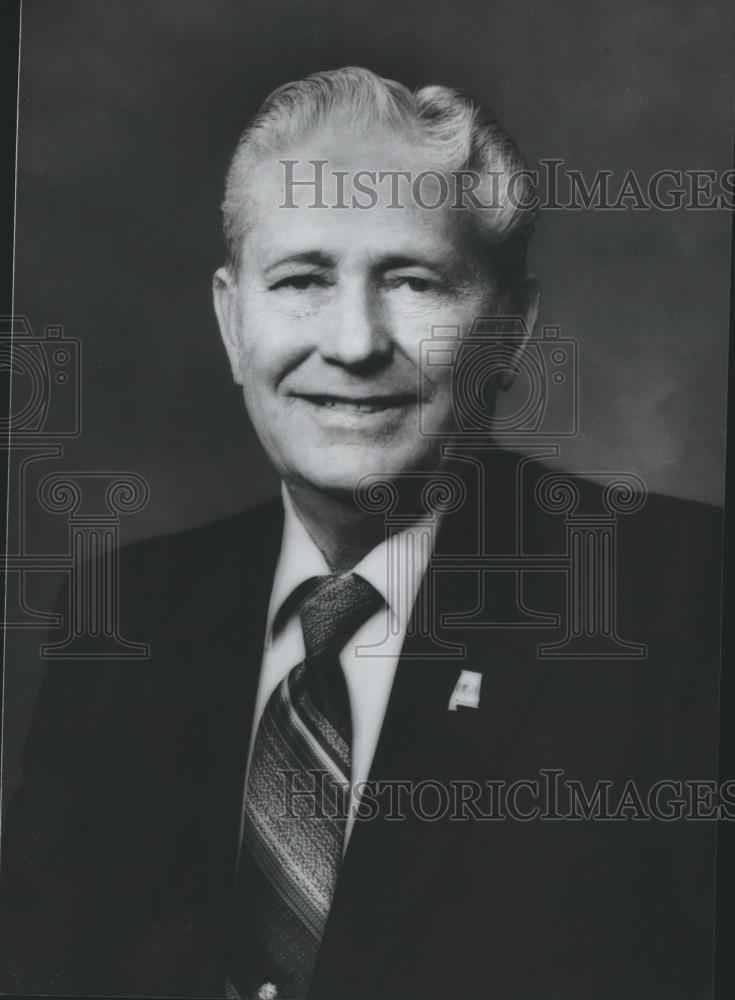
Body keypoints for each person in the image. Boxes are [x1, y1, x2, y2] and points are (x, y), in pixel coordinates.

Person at [0, 67, 723, 1000]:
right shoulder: (125, 616)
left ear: (507, 332)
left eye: (412, 280)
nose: (352, 343)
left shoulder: (690, 604)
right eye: (302, 278)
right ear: (232, 321)